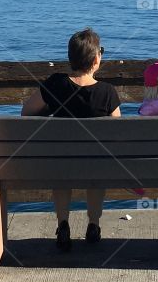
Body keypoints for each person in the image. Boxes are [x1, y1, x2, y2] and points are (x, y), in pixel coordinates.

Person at [21, 28, 120, 251]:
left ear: (70, 58)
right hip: (95, 164)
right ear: (96, 60)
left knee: (62, 172)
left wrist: (50, 111)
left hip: (61, 161)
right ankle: (93, 224)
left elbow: (26, 111)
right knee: (96, 174)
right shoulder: (107, 92)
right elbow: (117, 130)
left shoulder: (56, 84)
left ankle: (63, 224)